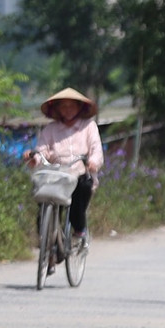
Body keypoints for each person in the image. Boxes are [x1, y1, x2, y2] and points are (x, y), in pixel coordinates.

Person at [29, 87, 103, 244]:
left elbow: (96, 148)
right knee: (44, 198)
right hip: (56, 175)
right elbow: (42, 150)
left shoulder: (89, 127)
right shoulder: (50, 129)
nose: (68, 110)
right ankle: (46, 238)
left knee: (80, 194)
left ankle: (79, 230)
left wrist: (93, 162)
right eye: (64, 106)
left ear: (79, 107)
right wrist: (35, 157)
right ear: (57, 109)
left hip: (79, 175)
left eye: (71, 106)